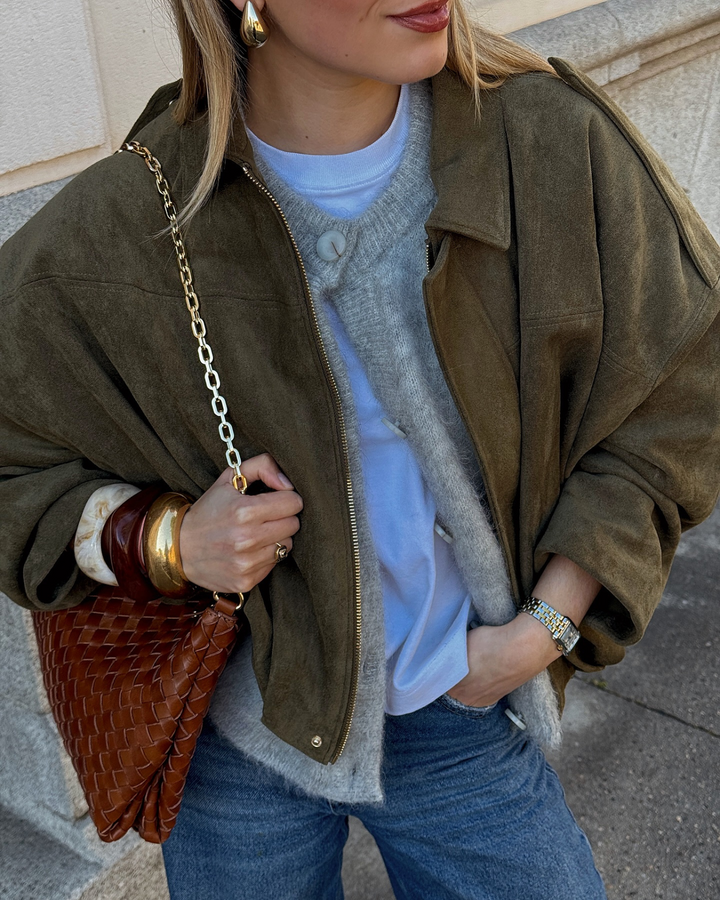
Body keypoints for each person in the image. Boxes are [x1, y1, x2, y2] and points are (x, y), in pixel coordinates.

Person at [1, 0, 719, 897]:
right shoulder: (135, 217)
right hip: (243, 739)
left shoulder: (544, 142)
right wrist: (164, 538)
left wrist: (546, 627)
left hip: (463, 711)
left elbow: (681, 388)